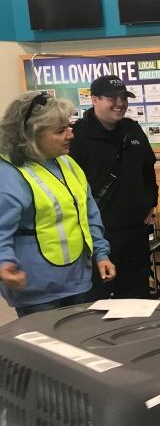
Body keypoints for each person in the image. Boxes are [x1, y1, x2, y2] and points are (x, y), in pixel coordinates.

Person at [0, 92, 115, 317]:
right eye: (60, 131)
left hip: (77, 281)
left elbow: (88, 213)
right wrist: (4, 263)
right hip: (37, 290)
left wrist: (101, 254)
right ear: (31, 135)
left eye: (69, 126)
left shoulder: (68, 163)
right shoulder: (10, 173)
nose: (71, 135)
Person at [70, 75, 158, 300]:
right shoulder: (77, 136)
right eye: (112, 98)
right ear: (95, 99)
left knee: (137, 295)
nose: (120, 103)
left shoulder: (133, 131)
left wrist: (151, 203)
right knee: (98, 299)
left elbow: (148, 170)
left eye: (124, 98)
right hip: (99, 234)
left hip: (135, 230)